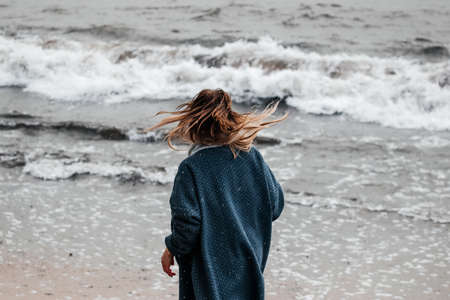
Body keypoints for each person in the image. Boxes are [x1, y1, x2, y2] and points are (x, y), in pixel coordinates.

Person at [146, 89, 287, 300]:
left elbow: (187, 226)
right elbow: (274, 205)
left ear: (192, 125)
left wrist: (171, 248)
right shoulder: (253, 158)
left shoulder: (191, 168)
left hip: (209, 274)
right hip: (248, 262)